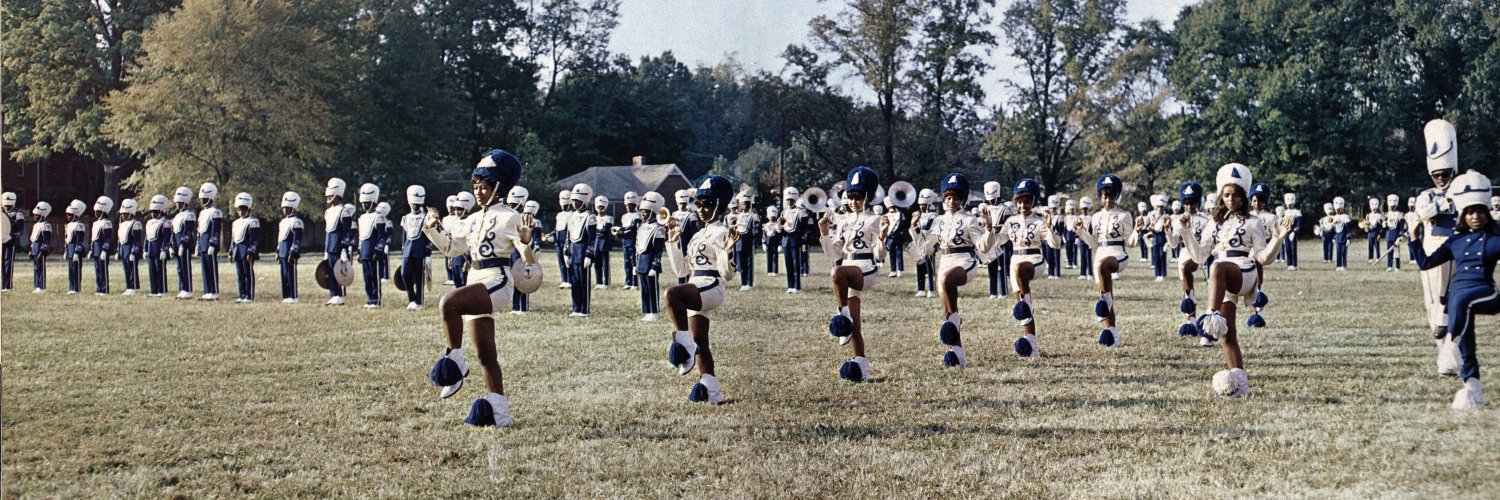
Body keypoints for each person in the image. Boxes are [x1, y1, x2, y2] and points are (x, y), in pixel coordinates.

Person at [423, 149, 538, 427]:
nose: (478, 192)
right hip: (475, 278)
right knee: (486, 355)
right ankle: (499, 412)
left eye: (484, 187)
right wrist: (432, 229)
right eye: (475, 187)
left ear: (498, 188)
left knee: (449, 302)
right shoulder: (474, 218)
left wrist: (526, 241)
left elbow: (528, 259)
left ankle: (455, 362)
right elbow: (452, 248)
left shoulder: (511, 217)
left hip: (497, 279)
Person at [1178, 163, 1292, 398]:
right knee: (1227, 335)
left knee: (1218, 266)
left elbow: (1262, 258)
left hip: (1244, 273)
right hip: (1221, 280)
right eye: (1227, 195)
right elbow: (1199, 256)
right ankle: (1241, 386)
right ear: (1221, 196)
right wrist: (1186, 232)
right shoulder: (1214, 223)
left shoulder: (1254, 222)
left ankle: (1209, 321)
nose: (1231, 199)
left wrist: (1278, 239)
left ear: (1244, 197)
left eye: (1236, 195)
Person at [1414, 170, 1497, 409]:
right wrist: (1413, 238)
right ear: (1463, 214)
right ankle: (1473, 391)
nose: (1475, 216)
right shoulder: (1456, 240)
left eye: (1480, 211)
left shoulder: (1495, 237)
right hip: (1459, 298)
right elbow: (1426, 263)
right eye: (1470, 212)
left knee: (1462, 302)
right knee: (1466, 343)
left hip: (1485, 292)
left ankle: (1448, 348)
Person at [661, 175, 738, 403]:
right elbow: (682, 269)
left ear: (719, 206)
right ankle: (712, 392)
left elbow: (728, 275)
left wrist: (726, 251)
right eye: (699, 204)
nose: (702, 209)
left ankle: (684, 344)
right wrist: (673, 242)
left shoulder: (722, 232)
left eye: (708, 204)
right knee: (701, 343)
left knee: (672, 294)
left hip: (711, 287)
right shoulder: (697, 235)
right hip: (695, 286)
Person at [910, 173, 998, 367]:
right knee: (948, 311)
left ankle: (956, 325)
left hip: (965, 261)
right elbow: (925, 247)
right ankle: (957, 354)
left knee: (948, 280)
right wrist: (915, 229)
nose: (951, 202)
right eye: (948, 198)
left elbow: (983, 247)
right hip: (945, 261)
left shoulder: (969, 220)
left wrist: (989, 229)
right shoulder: (938, 221)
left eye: (955, 198)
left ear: (962, 200)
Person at [820, 166, 889, 381]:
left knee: (836, 272)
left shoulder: (874, 219)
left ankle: (842, 317)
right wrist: (824, 233)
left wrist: (882, 237)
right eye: (850, 197)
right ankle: (862, 367)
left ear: (867, 197)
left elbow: (879, 254)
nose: (854, 201)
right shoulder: (843, 221)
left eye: (858, 197)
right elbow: (834, 254)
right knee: (855, 323)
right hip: (848, 269)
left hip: (866, 269)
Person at [1413, 119, 1462, 376]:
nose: (1442, 178)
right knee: (1434, 302)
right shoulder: (1427, 194)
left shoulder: (1462, 191)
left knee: (1455, 300)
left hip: (1458, 247)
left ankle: (1452, 354)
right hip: (1434, 248)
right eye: (1437, 175)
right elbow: (1423, 213)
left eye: (1446, 173)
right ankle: (1443, 354)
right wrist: (1444, 203)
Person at [997, 179, 1061, 358]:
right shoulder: (1010, 221)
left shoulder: (1040, 221)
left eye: (1026, 202)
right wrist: (988, 229)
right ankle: (1031, 346)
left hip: (1034, 260)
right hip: (1015, 261)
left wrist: (1050, 227)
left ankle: (1030, 340)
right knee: (1023, 303)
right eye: (1019, 202)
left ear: (1033, 202)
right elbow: (997, 241)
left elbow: (1055, 244)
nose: (1023, 205)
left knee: (1023, 288)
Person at [1074, 174, 1136, 348]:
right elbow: (1094, 244)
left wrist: (1137, 231)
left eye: (1111, 196)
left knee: (1104, 280)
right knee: (1105, 295)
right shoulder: (1095, 217)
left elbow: (1130, 242)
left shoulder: (1124, 215)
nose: (1108, 200)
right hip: (1100, 255)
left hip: (1118, 254)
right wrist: (1081, 232)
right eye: (1105, 196)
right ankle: (1112, 335)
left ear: (1117, 196)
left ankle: (1110, 330)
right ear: (1100, 197)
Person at [1168, 182, 1214, 345]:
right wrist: (1167, 230)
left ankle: (1207, 317)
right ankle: (1191, 320)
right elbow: (1174, 243)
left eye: (1192, 202)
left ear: (1198, 202)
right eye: (1186, 202)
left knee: (1187, 269)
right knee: (1186, 286)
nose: (1189, 206)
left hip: (1200, 253)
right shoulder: (1177, 220)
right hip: (1184, 253)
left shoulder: (1206, 220)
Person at [398, 186, 433, 310]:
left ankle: (419, 301)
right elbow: (404, 236)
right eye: (413, 204)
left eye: (418, 204)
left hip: (420, 251)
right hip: (408, 251)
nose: (415, 206)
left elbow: (429, 236)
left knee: (419, 277)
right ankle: (411, 298)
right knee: (404, 274)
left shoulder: (426, 217)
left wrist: (428, 253)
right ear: (409, 202)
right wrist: (403, 249)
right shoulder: (405, 218)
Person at [565, 183, 597, 316]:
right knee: (574, 282)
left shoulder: (590, 217)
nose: (574, 203)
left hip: (583, 251)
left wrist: (589, 254)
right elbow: (568, 236)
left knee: (584, 282)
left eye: (577, 201)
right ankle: (576, 308)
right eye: (573, 201)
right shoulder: (571, 216)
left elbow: (592, 238)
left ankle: (584, 310)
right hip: (573, 251)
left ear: (584, 201)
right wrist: (566, 252)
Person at [635, 192, 667, 322]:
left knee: (652, 287)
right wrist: (635, 264)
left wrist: (655, 265)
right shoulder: (641, 227)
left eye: (646, 211)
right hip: (642, 262)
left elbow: (659, 250)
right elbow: (637, 247)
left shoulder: (658, 228)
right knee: (644, 289)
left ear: (653, 212)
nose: (643, 213)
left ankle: (654, 311)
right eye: (642, 211)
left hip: (650, 262)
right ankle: (647, 311)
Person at [324, 178, 356, 305]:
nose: (329, 197)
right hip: (330, 246)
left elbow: (347, 232)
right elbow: (328, 231)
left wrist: (344, 249)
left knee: (339, 272)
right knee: (330, 271)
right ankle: (333, 295)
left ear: (338, 196)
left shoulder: (344, 211)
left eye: (331, 195)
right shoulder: (328, 212)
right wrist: (325, 249)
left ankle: (340, 295)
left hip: (339, 247)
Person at [356, 184, 386, 308]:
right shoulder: (362, 218)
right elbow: (361, 236)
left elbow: (381, 237)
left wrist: (378, 251)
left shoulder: (379, 217)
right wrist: (359, 252)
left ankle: (376, 300)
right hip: (364, 251)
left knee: (374, 277)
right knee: (367, 277)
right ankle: (369, 298)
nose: (365, 205)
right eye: (363, 203)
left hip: (373, 252)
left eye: (367, 203)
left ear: (373, 202)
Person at [779, 188, 812, 293]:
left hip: (795, 239)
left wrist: (799, 235)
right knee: (788, 264)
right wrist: (780, 226)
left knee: (795, 263)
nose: (789, 202)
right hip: (785, 240)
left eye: (792, 200)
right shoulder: (784, 212)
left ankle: (797, 287)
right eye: (788, 200)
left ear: (795, 200)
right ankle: (790, 286)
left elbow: (804, 226)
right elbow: (781, 226)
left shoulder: (800, 211)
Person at [229, 193, 260, 303]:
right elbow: (233, 239)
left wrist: (250, 252)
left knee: (248, 274)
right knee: (240, 274)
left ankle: (249, 296)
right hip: (237, 250)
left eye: (243, 209)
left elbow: (254, 239)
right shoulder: (235, 223)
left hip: (246, 251)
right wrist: (230, 252)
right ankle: (242, 295)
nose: (241, 212)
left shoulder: (253, 221)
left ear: (248, 209)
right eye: (239, 210)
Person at [195, 184, 224, 300]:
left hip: (210, 243)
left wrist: (213, 244)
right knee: (205, 269)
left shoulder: (215, 212)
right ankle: (207, 291)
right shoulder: (202, 213)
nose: (203, 200)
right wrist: (198, 244)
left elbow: (215, 230)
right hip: (203, 243)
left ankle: (214, 291)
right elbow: (199, 230)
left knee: (212, 268)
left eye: (205, 198)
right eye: (202, 198)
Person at [170, 187, 197, 299]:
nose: (178, 204)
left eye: (180, 202)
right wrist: (172, 245)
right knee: (179, 268)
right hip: (177, 245)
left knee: (185, 267)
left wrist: (183, 244)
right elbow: (173, 232)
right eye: (177, 202)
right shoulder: (176, 216)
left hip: (184, 245)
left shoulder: (189, 215)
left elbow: (188, 231)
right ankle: (182, 288)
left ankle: (188, 289)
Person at [910, 189, 939, 297]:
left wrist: (916, 224)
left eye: (924, 204)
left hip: (929, 244)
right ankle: (921, 289)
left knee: (929, 267)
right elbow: (914, 230)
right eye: (921, 204)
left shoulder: (933, 216)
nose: (922, 207)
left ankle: (931, 290)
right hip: (919, 244)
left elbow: (926, 229)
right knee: (919, 266)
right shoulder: (918, 215)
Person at [277, 192, 304, 304]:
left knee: (290, 274)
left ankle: (293, 296)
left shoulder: (296, 221)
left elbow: (297, 239)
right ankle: (286, 295)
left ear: (293, 208)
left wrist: (292, 252)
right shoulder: (283, 221)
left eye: (287, 208)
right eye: (284, 208)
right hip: (282, 251)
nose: (285, 210)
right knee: (284, 275)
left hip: (290, 252)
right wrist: (277, 251)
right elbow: (280, 238)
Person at [144, 195, 173, 297]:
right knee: (152, 270)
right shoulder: (149, 223)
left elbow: (166, 237)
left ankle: (162, 290)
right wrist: (145, 249)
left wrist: (164, 250)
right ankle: (154, 290)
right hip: (151, 249)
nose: (153, 214)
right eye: (151, 211)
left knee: (160, 270)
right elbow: (147, 237)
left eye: (155, 212)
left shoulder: (166, 222)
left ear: (161, 211)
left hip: (159, 250)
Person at [117, 198, 144, 296]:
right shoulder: (123, 224)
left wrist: (134, 252)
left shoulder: (135, 223)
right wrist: (118, 251)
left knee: (132, 269)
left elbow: (137, 240)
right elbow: (120, 239)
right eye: (122, 214)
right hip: (124, 250)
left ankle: (133, 287)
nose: (123, 215)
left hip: (131, 249)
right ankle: (128, 286)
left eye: (125, 213)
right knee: (126, 269)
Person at [733, 195, 758, 291]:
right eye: (743, 204)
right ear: (740, 205)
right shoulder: (738, 216)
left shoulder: (753, 216)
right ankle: (743, 283)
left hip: (748, 242)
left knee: (749, 264)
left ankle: (749, 284)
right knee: (740, 263)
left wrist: (754, 243)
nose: (745, 206)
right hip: (739, 242)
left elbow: (756, 230)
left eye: (747, 204)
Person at [90, 196, 115, 296]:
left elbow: (107, 238)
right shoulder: (96, 223)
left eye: (98, 211)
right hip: (96, 250)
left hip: (102, 250)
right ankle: (99, 288)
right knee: (97, 270)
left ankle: (105, 289)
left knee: (103, 270)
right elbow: (93, 238)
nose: (96, 213)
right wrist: (92, 249)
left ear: (103, 212)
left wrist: (104, 250)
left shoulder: (107, 223)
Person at [63, 200, 88, 294]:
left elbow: (79, 240)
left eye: (70, 214)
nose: (68, 216)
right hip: (70, 250)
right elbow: (67, 239)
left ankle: (76, 288)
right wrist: (66, 250)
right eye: (67, 214)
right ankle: (71, 287)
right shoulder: (69, 225)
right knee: (71, 270)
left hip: (76, 250)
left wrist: (77, 252)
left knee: (76, 270)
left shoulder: (79, 225)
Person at [618, 191, 641, 291]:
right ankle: (628, 282)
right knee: (626, 262)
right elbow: (624, 229)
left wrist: (623, 229)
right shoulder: (624, 216)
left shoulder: (637, 215)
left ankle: (635, 283)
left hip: (633, 241)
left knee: (634, 262)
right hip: (625, 242)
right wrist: (619, 233)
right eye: (627, 205)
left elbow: (634, 227)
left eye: (631, 205)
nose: (628, 207)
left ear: (635, 205)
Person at [590, 195, 614, 289]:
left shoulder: (608, 218)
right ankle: (598, 282)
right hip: (596, 243)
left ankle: (606, 283)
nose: (600, 209)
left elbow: (606, 230)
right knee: (597, 264)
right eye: (599, 207)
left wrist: (596, 231)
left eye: (602, 207)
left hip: (604, 243)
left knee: (605, 264)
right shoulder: (594, 218)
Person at [28, 202, 52, 293]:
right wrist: (30, 250)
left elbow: (46, 240)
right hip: (35, 249)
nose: (35, 216)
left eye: (37, 215)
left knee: (41, 268)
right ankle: (37, 285)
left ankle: (42, 287)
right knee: (36, 268)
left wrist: (42, 251)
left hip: (40, 250)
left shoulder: (46, 225)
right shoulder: (35, 225)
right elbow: (33, 239)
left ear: (42, 215)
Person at [2, 192, 22, 292]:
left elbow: (20, 230)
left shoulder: (18, 214)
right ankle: (3, 286)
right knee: (2, 264)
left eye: (9, 206)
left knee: (8, 263)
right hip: (2, 241)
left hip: (11, 241)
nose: (7, 207)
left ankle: (8, 286)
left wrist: (11, 236)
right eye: (5, 205)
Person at [1383, 194, 1407, 272]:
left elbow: (1402, 226)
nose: (1392, 207)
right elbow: (1386, 227)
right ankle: (1389, 266)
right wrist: (1384, 224)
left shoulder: (1399, 214)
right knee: (1389, 251)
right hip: (1389, 234)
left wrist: (1401, 235)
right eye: (1391, 206)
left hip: (1396, 234)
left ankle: (1397, 266)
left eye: (1393, 206)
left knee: (1396, 251)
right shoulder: (1387, 214)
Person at [551, 190, 570, 289]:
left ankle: (570, 280)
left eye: (566, 205)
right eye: (563, 205)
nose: (564, 207)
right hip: (559, 241)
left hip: (567, 241)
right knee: (561, 261)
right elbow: (557, 228)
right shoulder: (559, 215)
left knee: (568, 261)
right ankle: (564, 280)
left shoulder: (571, 214)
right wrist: (551, 236)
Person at [1076, 197, 1097, 280]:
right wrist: (1077, 237)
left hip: (1089, 240)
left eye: (1086, 209)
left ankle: (1090, 274)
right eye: (1083, 209)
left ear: (1088, 209)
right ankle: (1082, 274)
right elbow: (1076, 229)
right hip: (1081, 240)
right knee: (1082, 257)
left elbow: (1092, 229)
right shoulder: (1078, 218)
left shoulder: (1091, 218)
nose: (1084, 211)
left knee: (1088, 257)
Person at [1281, 193, 1302, 270]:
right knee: (1287, 248)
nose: (1289, 205)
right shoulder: (1284, 212)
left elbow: (1299, 224)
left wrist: (1294, 232)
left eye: (1291, 204)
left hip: (1293, 232)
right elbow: (1282, 224)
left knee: (1293, 249)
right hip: (1286, 232)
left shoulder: (1297, 212)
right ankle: (1289, 264)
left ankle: (1294, 264)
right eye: (1288, 204)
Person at [1332, 197, 1352, 271]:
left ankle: (1344, 265)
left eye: (1339, 209)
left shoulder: (1345, 217)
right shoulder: (1334, 217)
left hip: (1344, 236)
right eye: (1336, 209)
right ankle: (1338, 265)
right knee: (1338, 252)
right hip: (1337, 236)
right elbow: (1334, 230)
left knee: (1343, 252)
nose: (1337, 211)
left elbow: (1348, 229)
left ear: (1342, 209)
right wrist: (1334, 237)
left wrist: (1348, 238)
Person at [763, 205, 782, 277]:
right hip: (768, 244)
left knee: (775, 258)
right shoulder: (766, 225)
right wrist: (763, 243)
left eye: (773, 217)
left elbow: (780, 236)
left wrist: (780, 244)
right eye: (771, 217)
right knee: (769, 257)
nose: (772, 218)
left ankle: (775, 271)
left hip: (775, 244)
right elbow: (763, 235)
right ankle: (769, 271)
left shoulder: (778, 225)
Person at [1364, 197, 1384, 263]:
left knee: (1377, 246)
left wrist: (1379, 234)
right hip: (1370, 232)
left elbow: (1381, 226)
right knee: (1370, 246)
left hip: (1376, 232)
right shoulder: (1368, 215)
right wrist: (1366, 227)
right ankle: (1370, 258)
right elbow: (1366, 224)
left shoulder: (1379, 215)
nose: (1374, 209)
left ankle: (1378, 257)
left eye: (1375, 208)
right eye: (1373, 208)